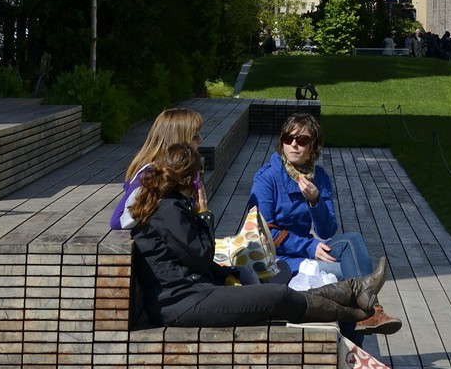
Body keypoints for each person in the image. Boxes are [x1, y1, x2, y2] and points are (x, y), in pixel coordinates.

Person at [128, 136, 398, 332]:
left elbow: (192, 257)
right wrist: (204, 214)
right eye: (199, 174)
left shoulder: (171, 205)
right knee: (276, 296)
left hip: (190, 293)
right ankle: (359, 312)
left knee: (277, 293)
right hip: (181, 303)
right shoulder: (169, 210)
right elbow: (200, 255)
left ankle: (356, 294)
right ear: (190, 179)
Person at [249, 112, 379, 286]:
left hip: (306, 251)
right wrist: (309, 247)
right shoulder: (267, 177)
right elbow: (263, 233)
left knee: (352, 240)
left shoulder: (320, 178)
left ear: (313, 147)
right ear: (282, 143)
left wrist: (315, 201)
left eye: (302, 140)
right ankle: (372, 308)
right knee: (352, 272)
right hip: (278, 259)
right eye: (288, 138)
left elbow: (327, 231)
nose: (294, 144)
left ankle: (369, 305)